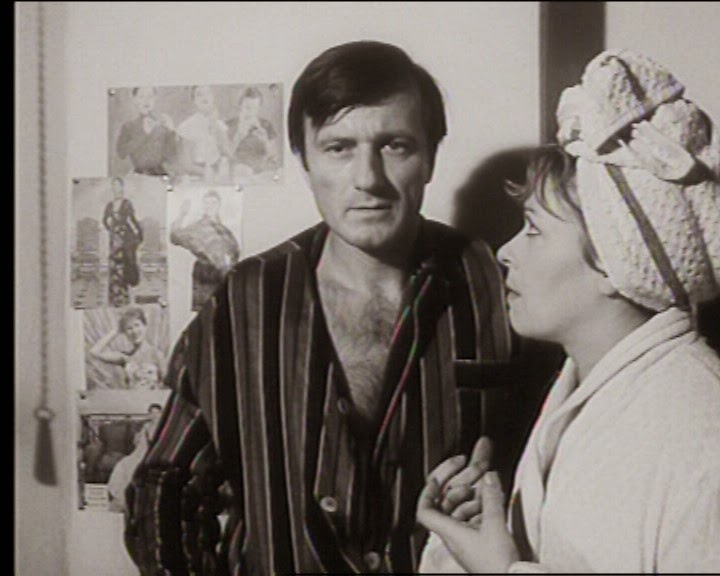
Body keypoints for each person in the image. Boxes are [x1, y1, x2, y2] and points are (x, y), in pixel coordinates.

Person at [124, 41, 537, 575]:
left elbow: (568, 460)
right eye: (339, 148)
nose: (368, 178)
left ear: (431, 158)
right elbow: (164, 488)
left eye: (395, 146)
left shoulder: (499, 284)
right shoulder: (245, 300)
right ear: (305, 161)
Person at [416, 49, 720, 573]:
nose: (505, 252)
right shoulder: (587, 387)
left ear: (614, 262)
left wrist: (502, 571)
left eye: (534, 229)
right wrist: (476, 541)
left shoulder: (705, 436)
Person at [170, 189, 241, 311]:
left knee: (223, 311)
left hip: (222, 275)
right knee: (206, 312)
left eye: (213, 203)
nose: (210, 206)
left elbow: (235, 252)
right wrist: (182, 214)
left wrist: (229, 268)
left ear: (219, 205)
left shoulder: (224, 230)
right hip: (204, 275)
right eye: (207, 203)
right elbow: (175, 236)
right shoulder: (197, 227)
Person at [89, 307, 166, 390]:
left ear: (145, 326)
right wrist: (116, 331)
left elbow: (167, 385)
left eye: (137, 325)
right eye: (129, 328)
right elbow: (94, 352)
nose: (134, 331)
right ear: (124, 333)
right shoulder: (125, 357)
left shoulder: (156, 354)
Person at [107, 404, 164, 513]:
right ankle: (123, 499)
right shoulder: (146, 426)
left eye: (157, 413)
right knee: (124, 465)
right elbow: (139, 443)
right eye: (152, 413)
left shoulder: (162, 427)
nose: (154, 415)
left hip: (153, 453)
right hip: (141, 452)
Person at [115, 86, 179, 177]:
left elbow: (172, 158)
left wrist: (172, 132)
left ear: (155, 99)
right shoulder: (128, 126)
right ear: (135, 100)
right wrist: (144, 134)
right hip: (137, 175)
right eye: (141, 96)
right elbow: (121, 153)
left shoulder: (163, 125)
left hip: (160, 174)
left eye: (150, 96)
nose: (146, 101)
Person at [177, 85, 231, 182]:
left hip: (219, 174)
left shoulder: (221, 126)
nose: (204, 97)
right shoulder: (187, 126)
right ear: (194, 100)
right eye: (199, 95)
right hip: (196, 175)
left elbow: (227, 154)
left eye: (207, 93)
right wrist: (206, 172)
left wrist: (215, 127)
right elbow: (186, 164)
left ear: (213, 97)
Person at [103, 177, 143, 307]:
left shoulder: (127, 203)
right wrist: (111, 229)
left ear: (122, 187)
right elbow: (104, 220)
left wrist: (139, 234)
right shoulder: (110, 205)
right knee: (115, 265)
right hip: (115, 240)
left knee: (126, 265)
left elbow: (133, 220)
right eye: (114, 186)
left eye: (118, 186)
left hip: (126, 238)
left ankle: (126, 297)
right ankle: (115, 297)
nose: (116, 189)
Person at [226, 85, 280, 181]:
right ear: (240, 106)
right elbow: (224, 158)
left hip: (262, 174)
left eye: (255, 108)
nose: (251, 112)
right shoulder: (229, 125)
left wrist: (265, 141)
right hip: (238, 174)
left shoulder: (266, 125)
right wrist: (238, 137)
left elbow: (274, 157)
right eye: (247, 107)